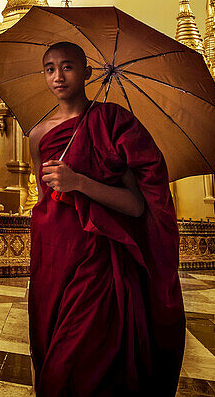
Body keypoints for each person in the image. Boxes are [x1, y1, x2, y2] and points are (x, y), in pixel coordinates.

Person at [28, 41, 184, 396]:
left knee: (76, 360)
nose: (58, 76)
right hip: (52, 254)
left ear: (87, 73)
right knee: (51, 344)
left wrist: (79, 182)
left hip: (97, 256)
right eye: (50, 68)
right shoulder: (38, 134)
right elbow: (43, 199)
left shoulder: (110, 122)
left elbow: (135, 205)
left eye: (67, 67)